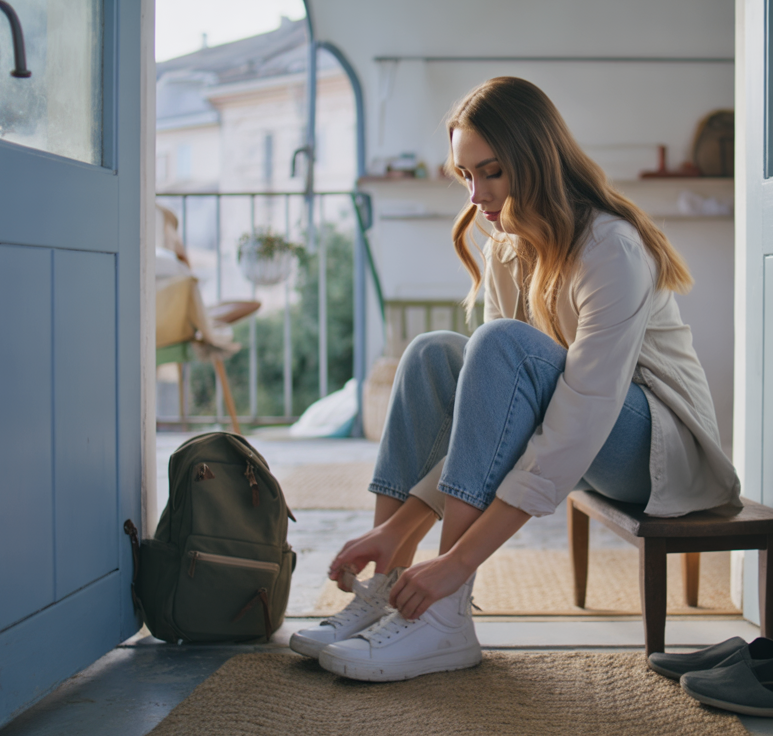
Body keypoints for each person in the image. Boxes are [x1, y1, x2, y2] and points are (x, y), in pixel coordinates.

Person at [290, 77, 741, 681]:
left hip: (654, 451)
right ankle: (389, 586)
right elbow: (493, 419)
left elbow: (575, 424)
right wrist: (399, 529)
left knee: (500, 343)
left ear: (536, 158)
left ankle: (444, 612)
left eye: (492, 172)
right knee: (430, 355)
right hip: (585, 430)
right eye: (466, 176)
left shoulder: (612, 248)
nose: (477, 195)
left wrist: (455, 562)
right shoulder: (508, 247)